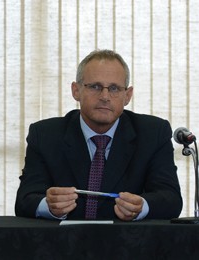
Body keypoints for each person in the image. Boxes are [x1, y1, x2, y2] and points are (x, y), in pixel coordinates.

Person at [15, 49, 182, 221]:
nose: (105, 96)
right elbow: (24, 201)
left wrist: (142, 206)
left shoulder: (153, 133)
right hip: (64, 244)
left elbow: (171, 199)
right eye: (95, 86)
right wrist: (48, 206)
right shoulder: (45, 135)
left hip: (129, 244)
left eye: (114, 88)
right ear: (76, 91)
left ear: (127, 95)